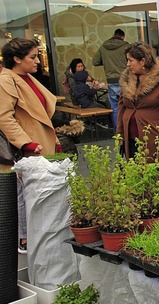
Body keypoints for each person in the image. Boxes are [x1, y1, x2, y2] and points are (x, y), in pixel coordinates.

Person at [0, 37, 60, 253]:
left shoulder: (25, 77)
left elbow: (41, 113)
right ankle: (26, 240)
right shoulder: (7, 80)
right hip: (28, 148)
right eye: (33, 57)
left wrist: (54, 139)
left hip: (40, 143)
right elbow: (4, 117)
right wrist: (26, 142)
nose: (38, 61)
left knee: (39, 191)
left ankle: (39, 236)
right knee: (26, 192)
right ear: (16, 58)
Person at [118, 41, 159, 160]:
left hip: (152, 136)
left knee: (152, 170)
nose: (128, 64)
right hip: (130, 136)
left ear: (142, 61)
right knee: (133, 170)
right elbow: (121, 107)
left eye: (131, 60)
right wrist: (120, 133)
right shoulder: (127, 80)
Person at [93, 29, 129, 131]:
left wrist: (106, 61)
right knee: (128, 105)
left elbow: (95, 61)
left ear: (113, 35)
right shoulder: (126, 46)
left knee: (115, 107)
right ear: (122, 37)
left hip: (111, 81)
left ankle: (117, 131)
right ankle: (127, 129)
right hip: (124, 80)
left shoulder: (103, 46)